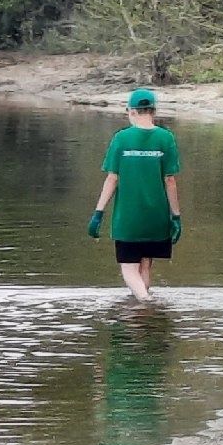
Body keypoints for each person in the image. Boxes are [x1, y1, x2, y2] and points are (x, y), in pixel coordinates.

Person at [87, 87, 181, 303]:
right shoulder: (166, 138)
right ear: (154, 111)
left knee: (129, 269)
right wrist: (176, 216)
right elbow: (170, 180)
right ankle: (140, 315)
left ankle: (146, 302)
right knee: (144, 266)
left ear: (132, 111)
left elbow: (112, 178)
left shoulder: (121, 139)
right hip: (156, 216)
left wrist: (98, 213)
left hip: (128, 218)